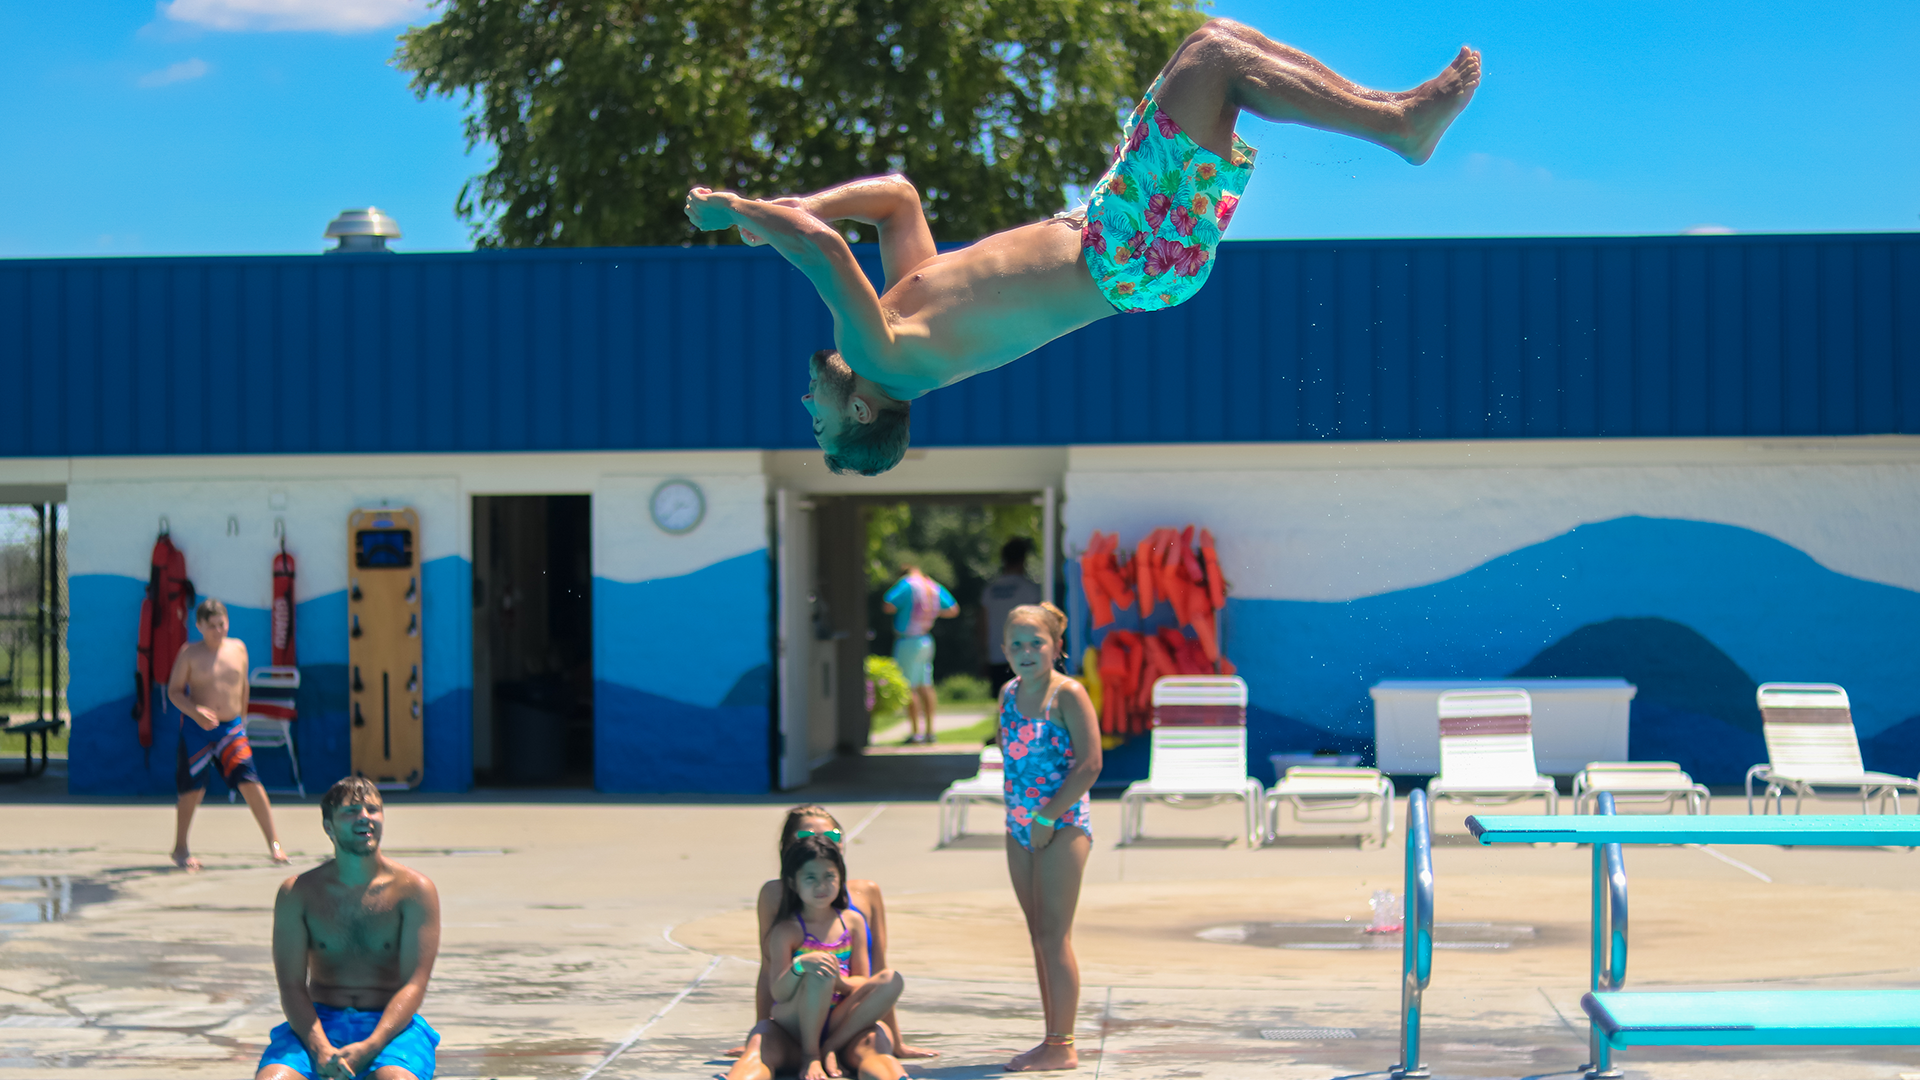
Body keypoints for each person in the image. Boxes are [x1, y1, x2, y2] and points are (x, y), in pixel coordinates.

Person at [684, 18, 1481, 474]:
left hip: (1110, 232)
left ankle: (1394, 110)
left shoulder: (905, 313)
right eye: (821, 425)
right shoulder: (885, 360)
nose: (806, 408)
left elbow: (897, 202)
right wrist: (741, 212)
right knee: (1215, 63)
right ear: (861, 410)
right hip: (1123, 257)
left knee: (1217, 40)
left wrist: (792, 204)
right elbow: (824, 253)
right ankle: (1398, 126)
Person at [257, 776, 442, 1080]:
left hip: (390, 1026)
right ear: (328, 827)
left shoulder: (415, 890)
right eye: (351, 810)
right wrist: (318, 1048)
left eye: (373, 809)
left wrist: (370, 1046)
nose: (365, 817)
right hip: (319, 1022)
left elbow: (414, 984)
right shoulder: (298, 893)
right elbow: (291, 986)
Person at [731, 805, 937, 1066]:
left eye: (834, 836)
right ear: (788, 846)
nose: (823, 842)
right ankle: (812, 1051)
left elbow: (878, 966)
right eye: (807, 836)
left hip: (847, 1018)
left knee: (889, 983)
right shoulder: (776, 894)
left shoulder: (866, 892)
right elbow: (769, 968)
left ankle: (830, 1048)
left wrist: (896, 1041)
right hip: (799, 1016)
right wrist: (761, 1030)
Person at [998, 603, 1102, 1072]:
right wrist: (1025, 820)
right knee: (1038, 935)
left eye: (1036, 642)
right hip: (1019, 827)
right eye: (1016, 644)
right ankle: (1051, 1039)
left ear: (1056, 647)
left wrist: (1045, 818)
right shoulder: (1007, 695)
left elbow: (1090, 765)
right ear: (1004, 650)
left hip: (1061, 825)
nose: (1026, 651)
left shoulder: (1068, 694)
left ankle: (1063, 1045)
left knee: (1054, 936)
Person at [167, 597, 291, 871]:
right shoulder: (190, 653)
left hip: (231, 729)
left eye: (221, 624)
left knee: (251, 782)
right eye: (211, 626)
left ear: (227, 623)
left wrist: (242, 721)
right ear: (199, 626)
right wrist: (195, 711)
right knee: (192, 790)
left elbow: (243, 686)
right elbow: (174, 692)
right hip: (197, 730)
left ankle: (275, 845)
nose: (217, 631)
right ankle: (180, 848)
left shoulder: (238, 649)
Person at [881, 562, 957, 744]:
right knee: (925, 685)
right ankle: (930, 731)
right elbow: (952, 609)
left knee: (909, 686)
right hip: (926, 639)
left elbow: (888, 605)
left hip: (908, 639)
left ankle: (915, 733)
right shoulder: (932, 586)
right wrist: (931, 613)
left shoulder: (907, 583)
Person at [980, 538, 1042, 693]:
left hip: (996, 655)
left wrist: (982, 655)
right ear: (1023, 560)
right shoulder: (1030, 590)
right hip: (1026, 656)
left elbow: (981, 625)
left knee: (1003, 704)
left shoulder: (990, 591)